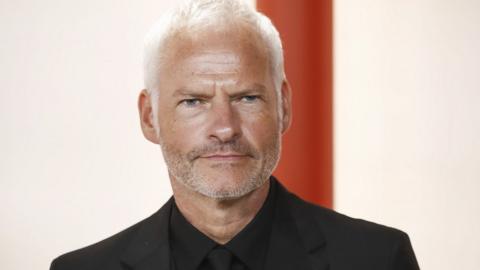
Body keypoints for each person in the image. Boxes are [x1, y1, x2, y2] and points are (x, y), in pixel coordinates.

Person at [50, 0, 420, 269]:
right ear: (149, 117)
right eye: (194, 101)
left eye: (247, 97)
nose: (225, 127)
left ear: (284, 106)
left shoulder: (377, 259)